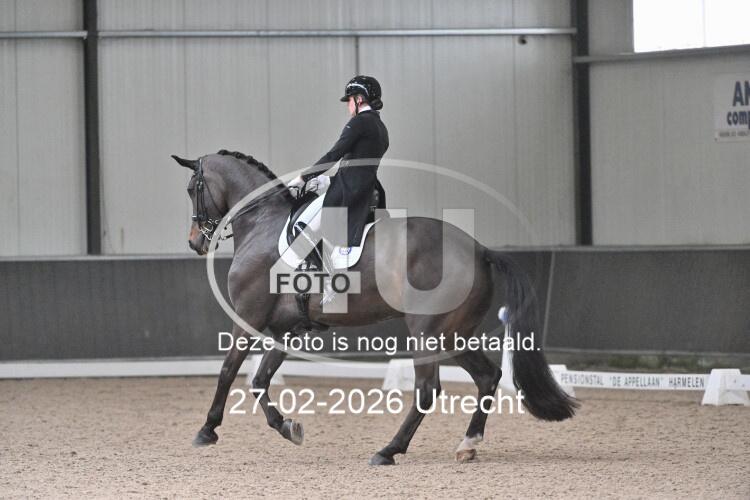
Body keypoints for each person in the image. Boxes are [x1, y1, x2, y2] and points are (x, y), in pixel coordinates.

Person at [288, 75, 389, 305]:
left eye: (349, 100)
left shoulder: (359, 123)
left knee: (300, 225)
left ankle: (331, 280)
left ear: (359, 99)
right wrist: (326, 180)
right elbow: (357, 165)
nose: (348, 106)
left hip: (349, 191)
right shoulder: (380, 127)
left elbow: (334, 154)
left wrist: (303, 177)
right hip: (368, 188)